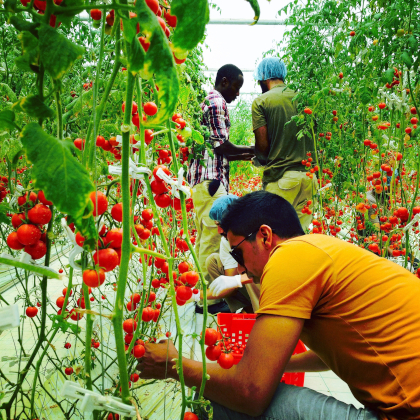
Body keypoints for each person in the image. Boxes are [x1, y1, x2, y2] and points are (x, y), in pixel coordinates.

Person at [137, 191, 420, 420]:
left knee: (217, 399)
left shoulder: (288, 257)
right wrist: (279, 364)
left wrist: (173, 365)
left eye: (238, 252)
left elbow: (250, 394)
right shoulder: (320, 248)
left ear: (265, 235)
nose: (239, 265)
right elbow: (332, 355)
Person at [187, 64, 255, 315]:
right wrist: (254, 149)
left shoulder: (207, 102)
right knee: (211, 239)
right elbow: (221, 146)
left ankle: (206, 295)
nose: (237, 94)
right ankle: (209, 300)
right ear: (224, 81)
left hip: (207, 182)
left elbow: (219, 151)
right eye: (236, 87)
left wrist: (250, 153)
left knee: (207, 237)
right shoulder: (216, 102)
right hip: (211, 183)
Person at [252, 57, 316, 231]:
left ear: (264, 78)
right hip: (309, 179)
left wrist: (256, 156)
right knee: (299, 237)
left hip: (282, 179)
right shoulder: (304, 100)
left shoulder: (261, 102)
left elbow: (263, 150)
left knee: (274, 238)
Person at [189, 194, 260, 313]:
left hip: (271, 288)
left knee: (247, 270)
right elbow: (230, 286)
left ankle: (262, 311)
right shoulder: (226, 241)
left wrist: (238, 280)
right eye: (217, 225)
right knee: (213, 261)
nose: (219, 231)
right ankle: (247, 308)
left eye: (221, 225)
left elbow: (269, 271)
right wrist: (196, 295)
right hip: (251, 284)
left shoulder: (258, 235)